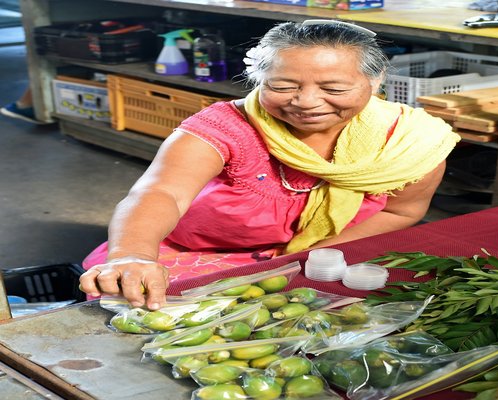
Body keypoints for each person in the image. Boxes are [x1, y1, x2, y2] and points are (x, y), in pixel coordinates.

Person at [79, 19, 460, 310]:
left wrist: (310, 258)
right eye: (282, 86)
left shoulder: (411, 140)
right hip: (196, 253)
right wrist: (133, 254)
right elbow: (161, 192)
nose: (307, 101)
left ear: (376, 81)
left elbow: (401, 210)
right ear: (257, 79)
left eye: (334, 89)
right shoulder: (226, 127)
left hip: (320, 254)